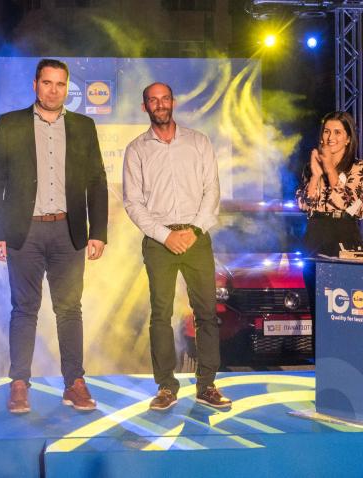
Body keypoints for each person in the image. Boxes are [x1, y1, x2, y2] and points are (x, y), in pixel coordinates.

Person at [0, 58, 108, 414]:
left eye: (60, 84)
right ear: (35, 85)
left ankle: (74, 383)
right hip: (25, 231)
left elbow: (97, 181)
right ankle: (19, 383)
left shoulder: (83, 126)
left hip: (69, 232)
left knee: (69, 309)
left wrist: (98, 231)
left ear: (68, 87)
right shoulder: (11, 123)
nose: (54, 90)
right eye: (47, 83)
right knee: (24, 309)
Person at [122, 82, 232, 411]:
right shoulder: (136, 149)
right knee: (161, 315)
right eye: (153, 100)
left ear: (174, 102)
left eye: (165, 99)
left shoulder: (199, 142)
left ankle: (207, 385)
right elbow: (133, 202)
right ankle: (166, 387)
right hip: (159, 242)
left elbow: (212, 190)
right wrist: (164, 235)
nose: (160, 105)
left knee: (207, 313)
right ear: (145, 107)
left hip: (196, 237)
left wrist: (194, 230)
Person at [296, 111, 363, 257]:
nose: (330, 137)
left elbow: (346, 204)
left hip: (343, 233)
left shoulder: (358, 167)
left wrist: (329, 169)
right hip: (314, 234)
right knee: (311, 271)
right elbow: (303, 205)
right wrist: (315, 176)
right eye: (326, 132)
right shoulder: (310, 167)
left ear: (348, 139)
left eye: (337, 132)